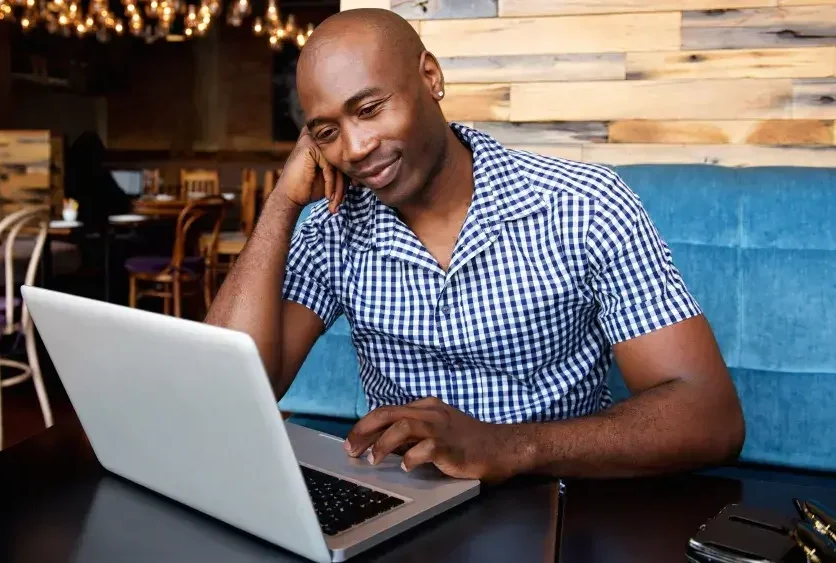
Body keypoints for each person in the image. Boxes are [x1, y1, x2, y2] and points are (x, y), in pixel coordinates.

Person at [205, 8, 745, 482]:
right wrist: (282, 202)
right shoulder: (332, 229)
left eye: (369, 109)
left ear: (431, 77)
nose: (356, 147)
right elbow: (226, 396)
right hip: (401, 503)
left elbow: (710, 417)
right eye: (326, 132)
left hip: (559, 498)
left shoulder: (584, 206)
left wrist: (509, 445)